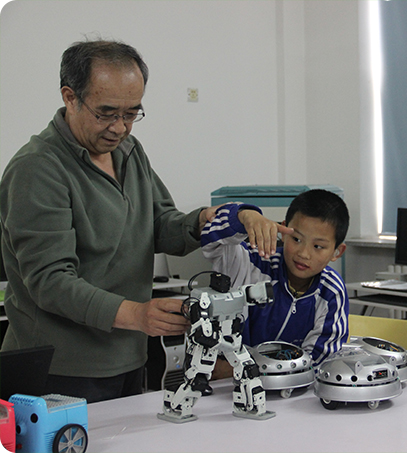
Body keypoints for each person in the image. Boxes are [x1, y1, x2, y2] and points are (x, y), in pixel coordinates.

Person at [0, 39, 220, 402]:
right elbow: (51, 282)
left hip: (129, 357)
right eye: (106, 113)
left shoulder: (129, 152)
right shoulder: (37, 169)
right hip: (61, 369)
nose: (120, 128)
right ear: (70, 97)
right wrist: (138, 314)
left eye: (131, 113)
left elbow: (159, 224)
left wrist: (204, 223)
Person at [201, 189, 350, 374]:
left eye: (318, 246)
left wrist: (248, 371)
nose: (304, 254)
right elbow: (211, 242)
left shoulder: (331, 291)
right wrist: (244, 215)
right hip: (227, 385)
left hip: (287, 388)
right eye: (296, 239)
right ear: (283, 231)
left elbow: (317, 364)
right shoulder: (250, 262)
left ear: (337, 251)